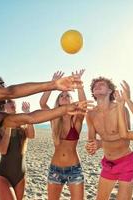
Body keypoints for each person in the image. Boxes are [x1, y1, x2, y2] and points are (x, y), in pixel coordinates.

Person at [85, 76, 133, 200]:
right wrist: (91, 146)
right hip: (108, 163)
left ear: (110, 91)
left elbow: (126, 138)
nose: (97, 86)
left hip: (126, 161)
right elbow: (92, 141)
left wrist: (101, 143)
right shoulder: (90, 114)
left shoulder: (120, 109)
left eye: (101, 84)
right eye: (94, 86)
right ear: (93, 93)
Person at [39, 70, 87, 200]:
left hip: (74, 169)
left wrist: (79, 84)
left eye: (67, 95)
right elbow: (42, 103)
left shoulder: (76, 121)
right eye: (61, 95)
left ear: (73, 101)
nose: (64, 97)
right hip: (55, 170)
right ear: (58, 101)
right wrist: (52, 84)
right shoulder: (54, 119)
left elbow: (84, 105)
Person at [0, 100, 34, 200]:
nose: (12, 104)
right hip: (3, 175)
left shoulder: (22, 123)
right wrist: (8, 127)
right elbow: (3, 150)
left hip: (21, 174)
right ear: (2, 107)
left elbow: (31, 135)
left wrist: (28, 115)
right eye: (9, 102)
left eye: (13, 101)